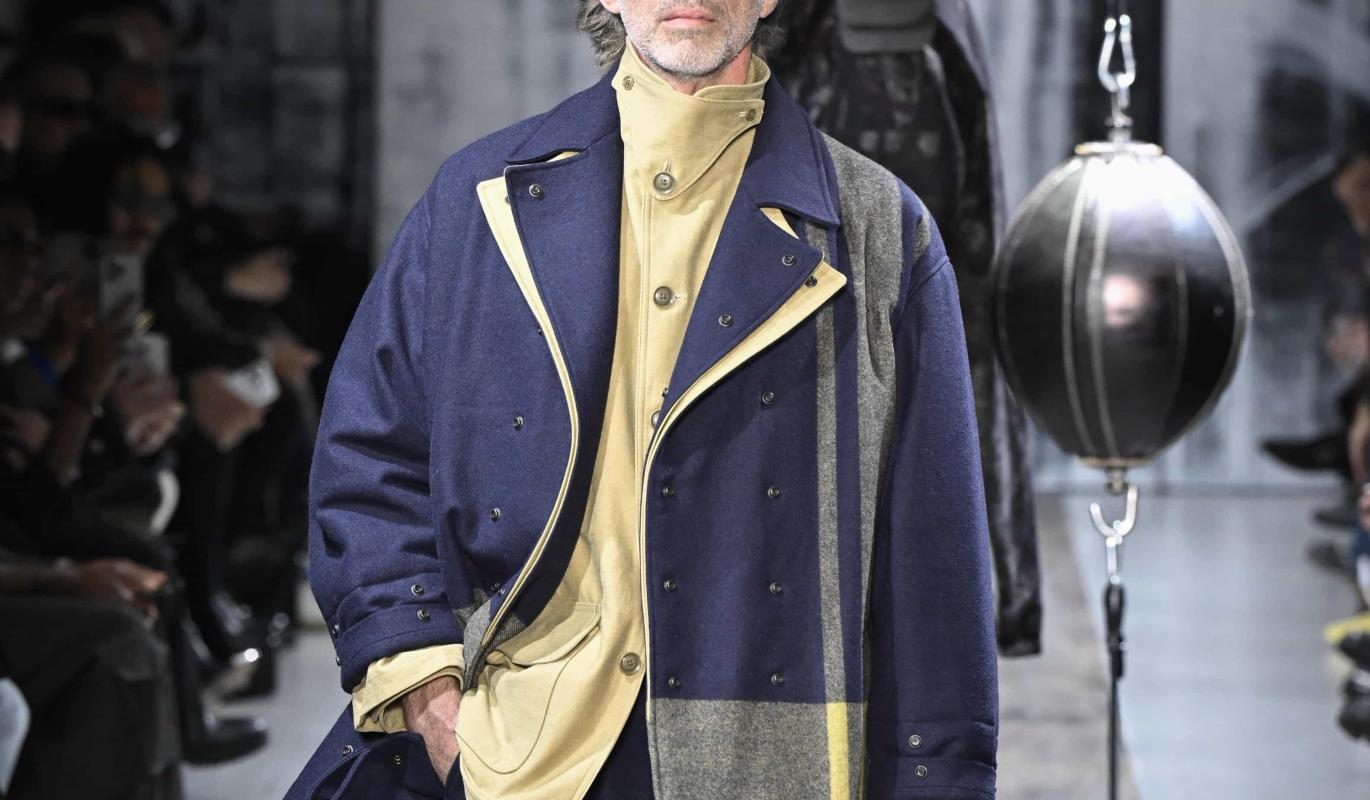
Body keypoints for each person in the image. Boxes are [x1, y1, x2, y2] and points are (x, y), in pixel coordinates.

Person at [290, 1, 998, 798]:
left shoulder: (879, 232)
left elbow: (934, 562)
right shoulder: (480, 201)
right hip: (518, 763)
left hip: (761, 764)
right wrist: (434, 704)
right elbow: (371, 459)